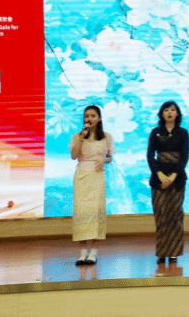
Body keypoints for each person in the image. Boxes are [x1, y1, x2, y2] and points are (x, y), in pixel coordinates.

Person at [69, 104, 114, 265]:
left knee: (96, 213)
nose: (89, 118)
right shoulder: (77, 136)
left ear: (99, 118)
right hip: (82, 175)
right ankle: (82, 253)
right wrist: (82, 137)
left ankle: (93, 252)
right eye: (87, 116)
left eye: (93, 116)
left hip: (97, 175)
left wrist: (104, 159)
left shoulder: (106, 137)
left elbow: (110, 157)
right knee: (81, 213)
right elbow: (74, 155)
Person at [147, 100, 189, 265]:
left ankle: (173, 252)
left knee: (175, 215)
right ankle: (161, 252)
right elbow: (150, 155)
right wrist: (159, 174)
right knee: (161, 214)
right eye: (166, 110)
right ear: (161, 114)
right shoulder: (156, 132)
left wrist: (173, 176)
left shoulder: (183, 133)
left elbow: (185, 155)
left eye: (172, 110)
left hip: (177, 178)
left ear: (177, 113)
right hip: (158, 177)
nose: (169, 112)